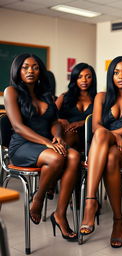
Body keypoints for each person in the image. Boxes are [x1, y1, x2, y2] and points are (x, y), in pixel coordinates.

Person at [4, 53, 80, 241]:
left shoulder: (45, 94)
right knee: (56, 158)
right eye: (25, 67)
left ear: (40, 71)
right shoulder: (11, 92)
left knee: (75, 156)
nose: (30, 71)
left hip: (46, 145)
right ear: (17, 70)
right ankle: (38, 198)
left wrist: (56, 136)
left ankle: (59, 215)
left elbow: (53, 121)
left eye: (35, 67)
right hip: (22, 145)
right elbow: (17, 127)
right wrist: (47, 142)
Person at [79, 56, 122, 248]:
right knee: (109, 155)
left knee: (103, 135)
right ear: (111, 75)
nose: (121, 76)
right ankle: (117, 218)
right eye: (116, 72)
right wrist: (113, 136)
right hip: (104, 149)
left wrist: (112, 135)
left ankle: (90, 203)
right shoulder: (101, 96)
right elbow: (95, 127)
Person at [55, 63, 97, 151]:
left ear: (93, 79)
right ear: (74, 79)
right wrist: (59, 120)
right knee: (70, 132)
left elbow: (103, 119)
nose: (84, 80)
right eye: (80, 77)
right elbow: (49, 116)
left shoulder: (98, 98)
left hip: (90, 137)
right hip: (67, 134)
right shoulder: (64, 97)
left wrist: (82, 123)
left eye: (88, 77)